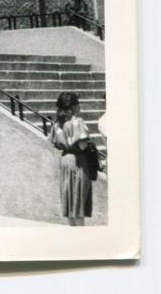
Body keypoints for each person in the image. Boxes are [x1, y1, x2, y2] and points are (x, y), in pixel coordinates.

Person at [49, 91, 95, 225]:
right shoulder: (78, 122)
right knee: (78, 205)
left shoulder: (57, 123)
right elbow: (82, 146)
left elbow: (55, 143)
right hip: (78, 162)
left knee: (70, 204)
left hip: (65, 161)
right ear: (74, 107)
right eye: (78, 103)